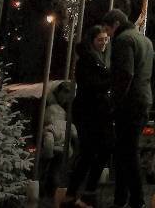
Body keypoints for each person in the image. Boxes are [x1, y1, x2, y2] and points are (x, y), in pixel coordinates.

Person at [100, 8, 155, 208]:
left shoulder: (123, 41)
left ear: (115, 24)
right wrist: (148, 92)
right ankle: (121, 198)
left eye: (107, 29)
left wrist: (115, 101)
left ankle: (136, 199)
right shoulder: (144, 40)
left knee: (128, 152)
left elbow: (125, 74)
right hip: (143, 100)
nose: (107, 34)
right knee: (125, 150)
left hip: (129, 103)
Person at [62, 26, 113, 208]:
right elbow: (92, 84)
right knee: (92, 152)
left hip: (94, 110)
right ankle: (80, 193)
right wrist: (111, 80)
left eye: (106, 39)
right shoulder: (87, 60)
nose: (104, 43)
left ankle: (76, 193)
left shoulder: (95, 58)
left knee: (92, 152)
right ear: (91, 40)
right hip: (90, 112)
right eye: (100, 40)